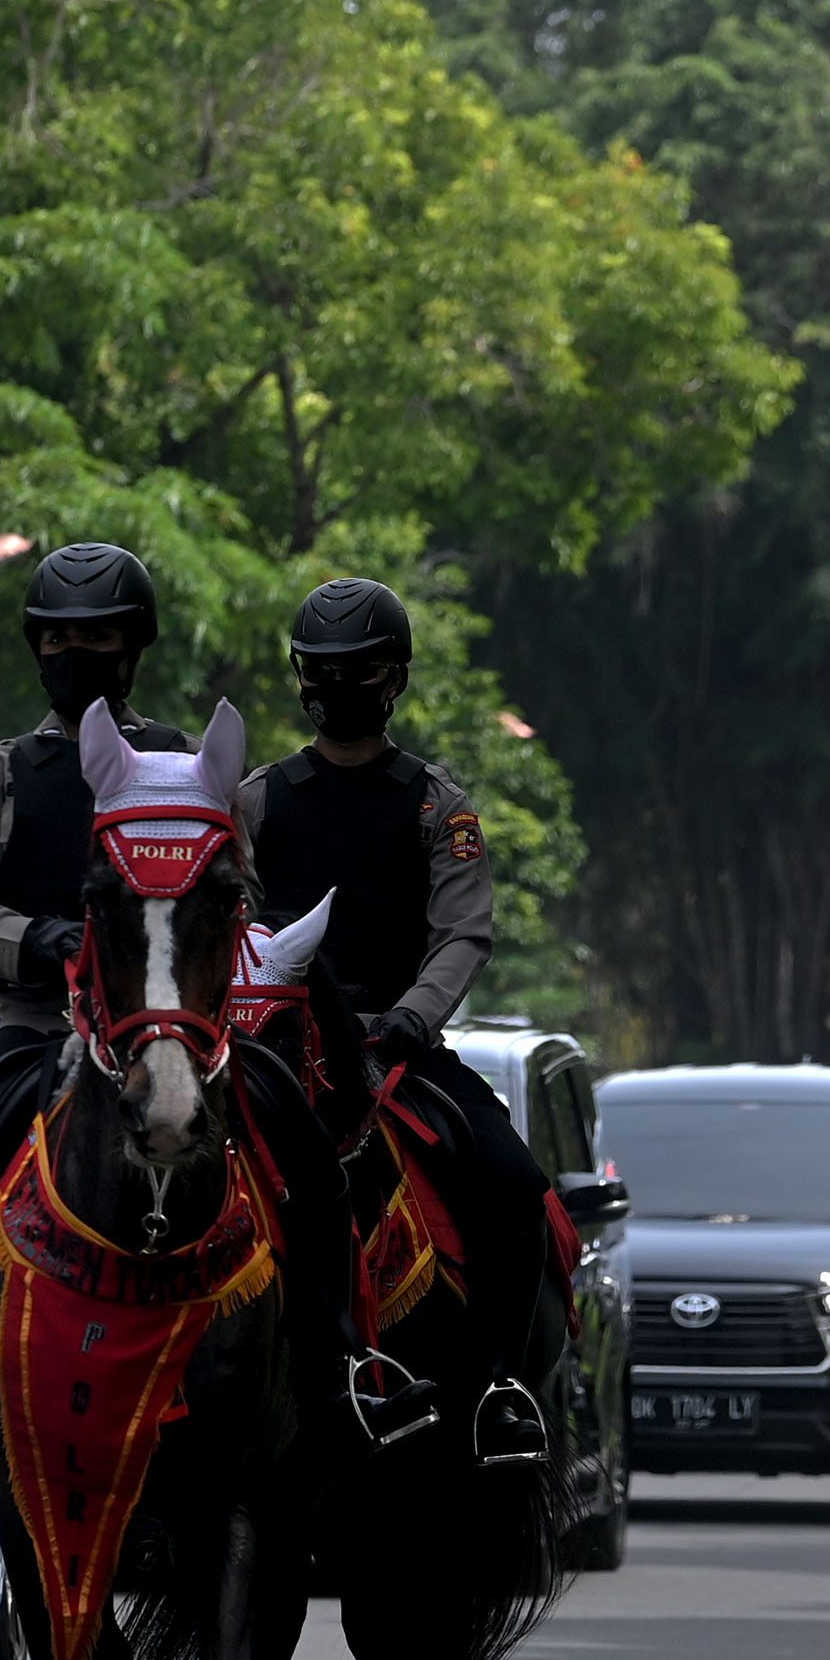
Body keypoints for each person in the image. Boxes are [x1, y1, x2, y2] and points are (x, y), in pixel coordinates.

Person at [0, 543, 201, 1468]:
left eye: (96, 639)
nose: (75, 655)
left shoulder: (180, 761)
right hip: (40, 1026)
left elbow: (230, 886)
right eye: (58, 640)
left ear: (132, 649)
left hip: (166, 1028)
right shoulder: (4, 771)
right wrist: (40, 938)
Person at [239, 575, 554, 1462]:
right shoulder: (258, 800)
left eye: (361, 670)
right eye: (323, 671)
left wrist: (414, 1017)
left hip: (398, 1044)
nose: (340, 687)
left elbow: (464, 932)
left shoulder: (435, 804)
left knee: (514, 1184)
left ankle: (497, 1383)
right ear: (302, 679)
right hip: (274, 1047)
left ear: (394, 679)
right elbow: (239, 915)